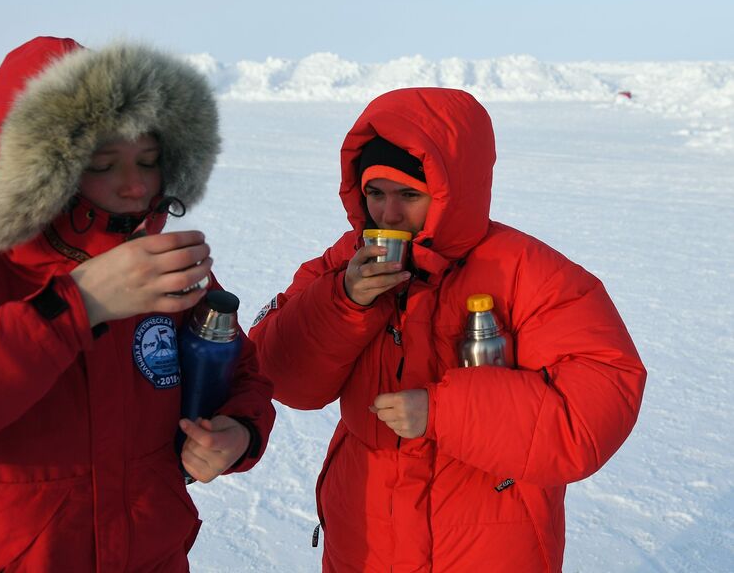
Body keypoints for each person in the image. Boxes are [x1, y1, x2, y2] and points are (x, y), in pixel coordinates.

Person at [0, 36, 275, 572]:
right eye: (103, 162)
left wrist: (239, 431)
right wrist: (77, 306)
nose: (135, 186)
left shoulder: (163, 270)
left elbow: (241, 371)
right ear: (37, 170)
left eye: (150, 160)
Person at [249, 87, 646, 571]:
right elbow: (276, 373)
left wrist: (444, 412)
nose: (388, 215)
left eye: (409, 195)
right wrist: (344, 302)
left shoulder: (526, 272)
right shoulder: (343, 264)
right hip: (364, 529)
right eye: (375, 193)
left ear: (451, 190)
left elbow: (594, 408)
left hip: (487, 538)